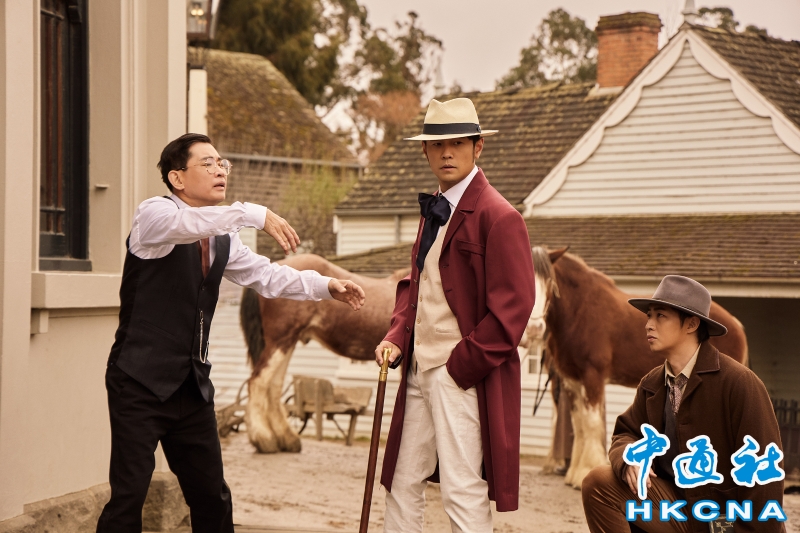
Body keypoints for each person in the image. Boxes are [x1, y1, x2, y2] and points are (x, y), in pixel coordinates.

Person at [97, 133, 365, 533]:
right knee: (129, 498)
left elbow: (267, 276)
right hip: (138, 382)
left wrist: (325, 286)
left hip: (191, 386)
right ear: (177, 178)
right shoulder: (154, 216)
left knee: (213, 498)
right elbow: (187, 224)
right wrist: (254, 213)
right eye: (207, 163)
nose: (219, 169)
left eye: (222, 162)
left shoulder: (223, 236)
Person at [374, 98, 536, 532]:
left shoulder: (500, 216)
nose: (447, 153)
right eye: (437, 144)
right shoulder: (434, 209)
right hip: (417, 370)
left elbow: (513, 311)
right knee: (401, 481)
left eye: (458, 143)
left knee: (461, 489)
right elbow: (417, 283)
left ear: (478, 147)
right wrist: (396, 335)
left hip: (460, 374)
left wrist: (457, 368)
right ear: (425, 151)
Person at [581, 275, 785, 533]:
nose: (648, 325)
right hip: (675, 508)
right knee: (599, 483)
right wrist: (629, 457)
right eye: (649, 316)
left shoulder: (739, 383)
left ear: (691, 324)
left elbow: (765, 474)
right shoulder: (652, 384)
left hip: (723, 519)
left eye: (660, 316)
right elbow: (626, 432)